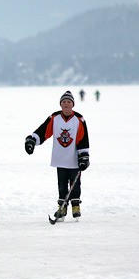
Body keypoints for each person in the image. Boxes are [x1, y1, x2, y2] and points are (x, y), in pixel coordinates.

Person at [24, 90, 90, 221]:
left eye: (69, 102)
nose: (66, 104)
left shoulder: (79, 119)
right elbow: (43, 131)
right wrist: (32, 140)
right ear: (61, 104)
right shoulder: (54, 118)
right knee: (61, 184)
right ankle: (62, 208)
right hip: (59, 159)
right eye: (64, 102)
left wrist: (84, 156)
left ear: (73, 105)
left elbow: (83, 138)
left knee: (75, 184)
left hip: (74, 160)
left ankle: (76, 206)